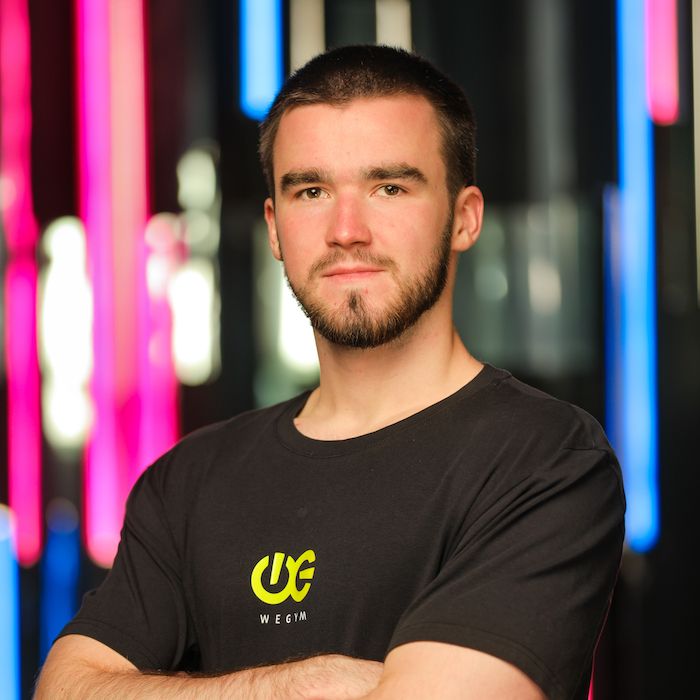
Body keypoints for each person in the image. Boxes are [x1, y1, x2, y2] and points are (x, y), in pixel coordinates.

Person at [36, 45, 625, 700]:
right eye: (311, 192)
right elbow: (65, 690)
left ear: (464, 218)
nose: (347, 230)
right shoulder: (188, 482)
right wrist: (315, 682)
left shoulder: (544, 460)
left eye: (389, 187)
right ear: (274, 227)